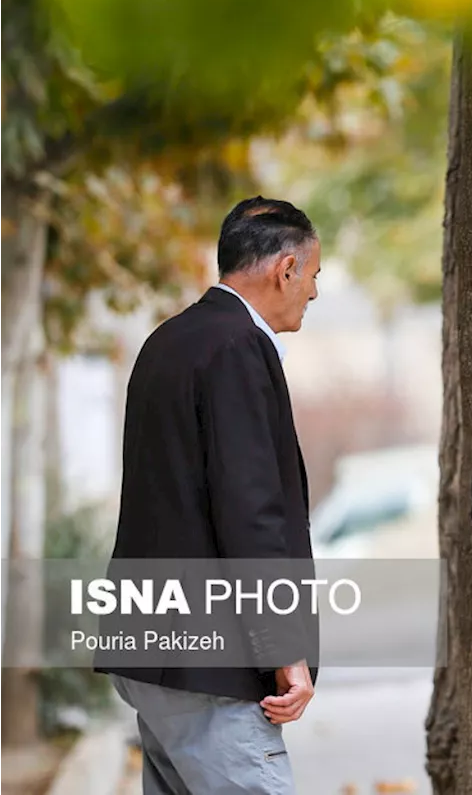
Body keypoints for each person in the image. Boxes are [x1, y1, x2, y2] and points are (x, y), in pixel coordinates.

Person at [96, 197, 322, 794]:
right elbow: (251, 512)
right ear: (286, 269)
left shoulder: (167, 342)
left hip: (155, 649)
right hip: (211, 664)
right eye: (315, 276)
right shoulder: (238, 348)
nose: (315, 293)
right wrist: (286, 652)